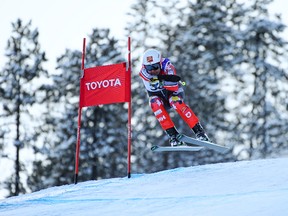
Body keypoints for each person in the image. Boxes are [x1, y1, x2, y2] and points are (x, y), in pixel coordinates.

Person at [139, 48, 210, 146]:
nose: (152, 70)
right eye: (149, 68)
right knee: (154, 103)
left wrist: (161, 81)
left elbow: (174, 85)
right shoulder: (144, 72)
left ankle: (200, 132)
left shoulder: (167, 66)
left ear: (160, 63)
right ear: (144, 67)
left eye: (155, 66)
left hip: (173, 93)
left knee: (175, 102)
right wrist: (157, 80)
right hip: (159, 97)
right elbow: (147, 77)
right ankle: (173, 135)